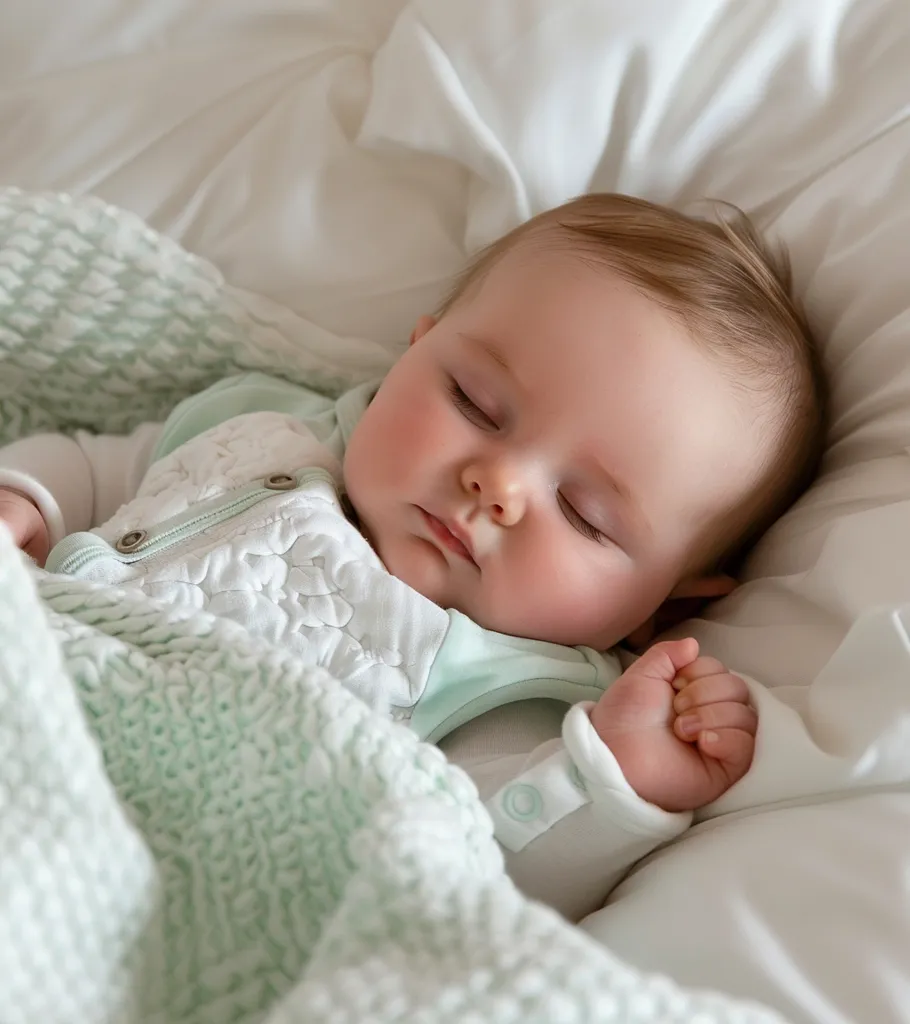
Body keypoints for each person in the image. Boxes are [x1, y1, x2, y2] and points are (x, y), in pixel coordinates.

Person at [0, 193, 827, 916]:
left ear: (666, 605)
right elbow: (115, 466)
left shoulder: (516, 689)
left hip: (131, 857)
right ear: (412, 352)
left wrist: (613, 782)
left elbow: (473, 871)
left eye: (585, 514)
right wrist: (32, 498)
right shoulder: (271, 427)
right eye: (474, 400)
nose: (497, 482)